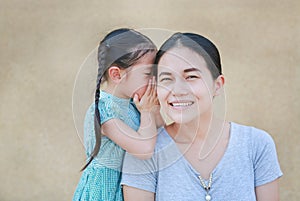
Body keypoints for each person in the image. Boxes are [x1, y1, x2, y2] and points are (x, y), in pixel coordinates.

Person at [121, 32, 283, 201]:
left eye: (191, 77)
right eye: (166, 79)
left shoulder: (256, 145)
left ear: (217, 85)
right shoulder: (144, 154)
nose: (177, 90)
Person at [73, 28, 162, 201]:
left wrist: (154, 111)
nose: (154, 81)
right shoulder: (102, 111)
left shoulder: (134, 103)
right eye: (147, 74)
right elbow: (144, 149)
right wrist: (146, 112)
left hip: (130, 189)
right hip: (103, 191)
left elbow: (161, 135)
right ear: (116, 74)